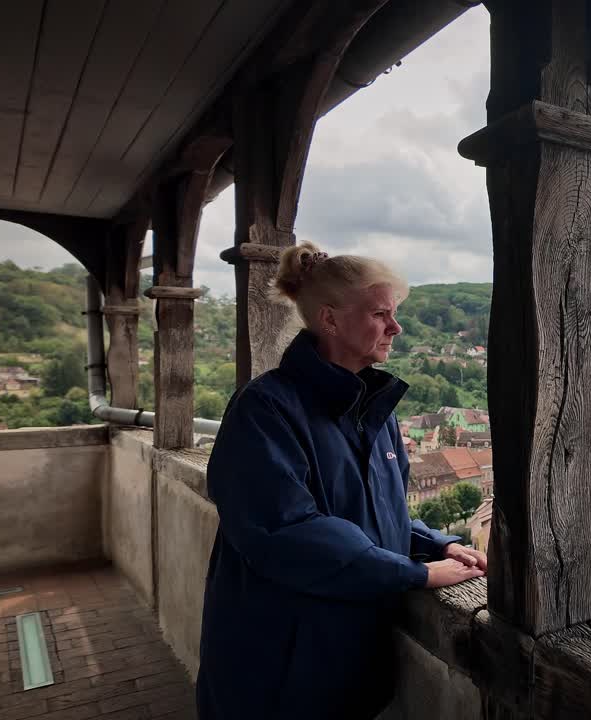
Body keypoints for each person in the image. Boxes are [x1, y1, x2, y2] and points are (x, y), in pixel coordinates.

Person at [196, 241, 486, 719]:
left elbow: (374, 514)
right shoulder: (264, 408)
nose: (396, 327)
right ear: (330, 319)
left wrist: (435, 545)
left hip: (340, 659)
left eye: (394, 313)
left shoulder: (374, 413)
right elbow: (288, 530)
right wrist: (414, 573)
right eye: (381, 313)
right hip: (279, 662)